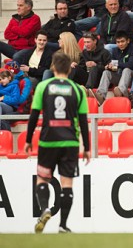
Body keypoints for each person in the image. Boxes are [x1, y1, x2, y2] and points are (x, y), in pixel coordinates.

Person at [26, 51, 90, 234]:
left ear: (53, 67)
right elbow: (84, 120)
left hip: (48, 140)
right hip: (70, 142)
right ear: (70, 68)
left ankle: (45, 208)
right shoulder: (78, 90)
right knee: (66, 183)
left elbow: (34, 116)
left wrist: (28, 139)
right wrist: (87, 146)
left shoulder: (43, 87)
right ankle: (63, 225)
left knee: (42, 178)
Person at [94, 31, 133, 105]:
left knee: (126, 70)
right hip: (120, 77)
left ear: (128, 41)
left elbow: (131, 65)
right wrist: (110, 67)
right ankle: (101, 96)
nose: (120, 44)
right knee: (106, 72)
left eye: (122, 41)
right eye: (118, 42)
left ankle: (121, 91)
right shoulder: (115, 50)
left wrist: (117, 64)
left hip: (132, 78)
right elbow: (115, 67)